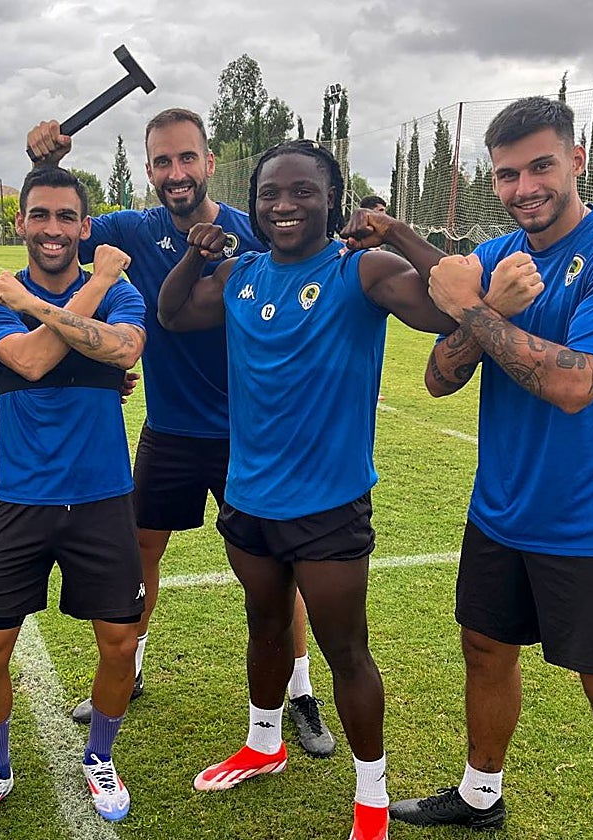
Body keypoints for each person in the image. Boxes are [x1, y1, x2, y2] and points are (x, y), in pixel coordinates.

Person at [383, 97, 593, 840]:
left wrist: (477, 311)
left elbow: (575, 385)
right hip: (500, 510)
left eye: (540, 165)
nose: (523, 187)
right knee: (484, 649)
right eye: (507, 174)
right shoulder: (497, 256)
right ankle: (481, 796)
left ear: (576, 160)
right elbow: (438, 379)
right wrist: (485, 304)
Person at [158, 139, 460, 840]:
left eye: (302, 192)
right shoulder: (241, 273)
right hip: (249, 498)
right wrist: (194, 255)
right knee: (264, 625)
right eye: (269, 195)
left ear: (332, 199)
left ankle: (372, 802)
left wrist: (398, 232)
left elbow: (450, 308)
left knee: (345, 650)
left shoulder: (362, 270)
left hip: (328, 506)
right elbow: (173, 315)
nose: (284, 206)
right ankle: (265, 744)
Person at [27, 109, 334, 757]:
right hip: (168, 428)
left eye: (186, 159)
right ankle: (130, 667)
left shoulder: (255, 233)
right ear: (148, 170)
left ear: (209, 163)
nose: (175, 173)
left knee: (276, 568)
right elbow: (56, 230)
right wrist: (44, 164)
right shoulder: (129, 231)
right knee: (140, 551)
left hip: (247, 436)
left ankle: (301, 692)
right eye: (162, 162)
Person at [0, 166, 146, 838]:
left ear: (84, 227)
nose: (54, 229)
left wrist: (54, 301)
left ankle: (99, 756)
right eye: (42, 215)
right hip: (23, 499)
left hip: (103, 497)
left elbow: (124, 347)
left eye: (68, 217)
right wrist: (92, 285)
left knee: (120, 643)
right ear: (22, 224)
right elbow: (31, 361)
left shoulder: (118, 293)